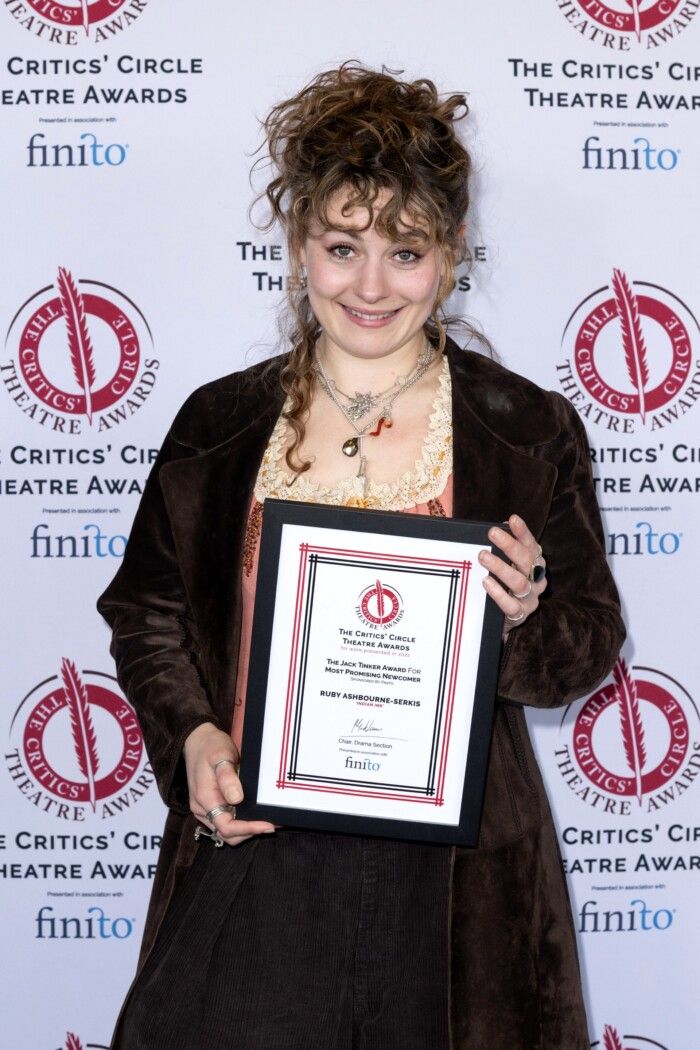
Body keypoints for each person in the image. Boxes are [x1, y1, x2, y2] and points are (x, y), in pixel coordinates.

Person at [97, 63, 625, 1050]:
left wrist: (523, 617)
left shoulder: (525, 429)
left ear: (451, 253)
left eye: (405, 252)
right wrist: (194, 739)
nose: (371, 287)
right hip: (258, 854)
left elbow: (588, 643)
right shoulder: (218, 425)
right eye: (343, 248)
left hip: (459, 887)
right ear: (301, 244)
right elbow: (148, 613)